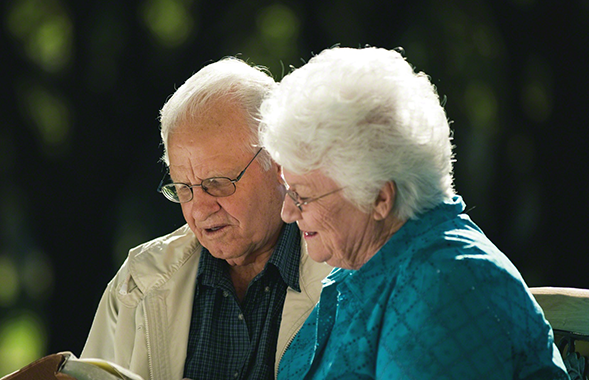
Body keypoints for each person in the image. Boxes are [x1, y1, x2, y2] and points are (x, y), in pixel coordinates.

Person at [258, 46, 569, 379]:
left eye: (302, 196)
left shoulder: (445, 282)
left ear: (380, 198)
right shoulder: (369, 265)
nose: (288, 212)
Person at [81, 57, 333, 380]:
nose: (199, 211)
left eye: (217, 183)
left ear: (278, 159)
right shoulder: (137, 285)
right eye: (183, 189)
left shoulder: (346, 273)